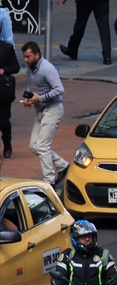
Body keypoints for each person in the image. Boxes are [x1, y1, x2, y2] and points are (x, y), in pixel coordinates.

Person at [22, 42, 69, 186]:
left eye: (28, 56)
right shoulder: (30, 69)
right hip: (41, 110)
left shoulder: (48, 69)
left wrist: (40, 98)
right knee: (34, 145)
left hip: (53, 109)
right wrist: (30, 99)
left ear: (37, 55)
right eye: (24, 57)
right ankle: (63, 165)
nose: (25, 60)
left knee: (42, 146)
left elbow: (59, 89)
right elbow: (32, 87)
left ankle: (49, 181)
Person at [0, 37, 17, 158]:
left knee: (3, 121)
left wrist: (3, 70)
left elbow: (15, 67)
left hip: (2, 90)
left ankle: (7, 144)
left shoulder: (7, 48)